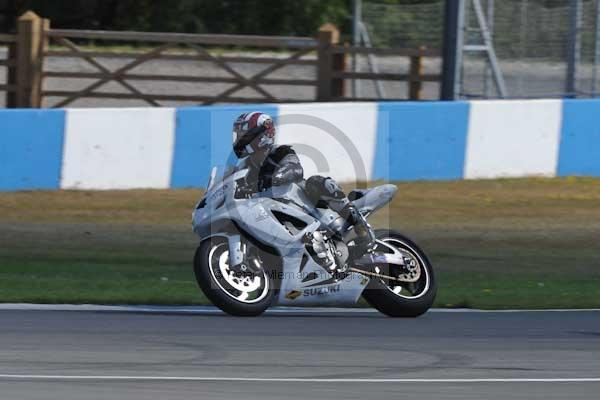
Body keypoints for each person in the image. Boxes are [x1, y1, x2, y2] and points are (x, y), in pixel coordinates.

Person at [232, 111, 375, 257]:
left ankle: (360, 226)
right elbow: (232, 183)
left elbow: (295, 169)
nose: (240, 140)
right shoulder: (245, 167)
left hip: (309, 207)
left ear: (263, 135)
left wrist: (275, 177)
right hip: (274, 216)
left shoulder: (280, 152)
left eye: (245, 136)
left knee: (317, 182)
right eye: (239, 136)